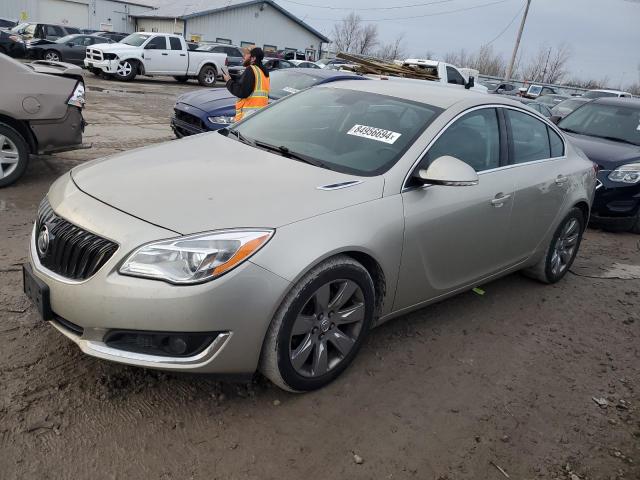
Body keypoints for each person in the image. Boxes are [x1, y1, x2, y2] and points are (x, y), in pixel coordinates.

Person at [223, 47, 270, 122]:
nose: (243, 56)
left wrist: (228, 81)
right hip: (258, 116)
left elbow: (242, 92)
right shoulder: (264, 72)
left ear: (253, 58)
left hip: (247, 117)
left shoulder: (251, 69)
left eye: (247, 54)